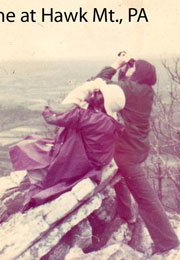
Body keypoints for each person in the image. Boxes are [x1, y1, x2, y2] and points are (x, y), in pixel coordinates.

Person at [90, 53, 180, 254]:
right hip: (136, 149)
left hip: (127, 154)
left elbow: (97, 83)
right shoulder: (145, 91)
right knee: (120, 174)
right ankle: (126, 215)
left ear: (138, 73)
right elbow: (122, 87)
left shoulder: (131, 90)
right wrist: (126, 68)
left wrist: (116, 64)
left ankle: (168, 242)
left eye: (132, 66)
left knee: (145, 198)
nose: (128, 68)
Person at [9, 81, 125, 210]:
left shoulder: (92, 119)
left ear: (102, 100)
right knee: (35, 141)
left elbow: (52, 115)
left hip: (73, 164)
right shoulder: (106, 119)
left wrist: (85, 89)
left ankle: (41, 184)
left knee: (25, 147)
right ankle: (42, 180)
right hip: (84, 163)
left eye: (99, 93)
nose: (95, 91)